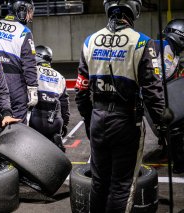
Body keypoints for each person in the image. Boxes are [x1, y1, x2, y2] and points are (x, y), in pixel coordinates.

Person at [75, 0, 165, 212]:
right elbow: (153, 92)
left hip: (97, 118)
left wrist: (89, 120)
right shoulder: (142, 42)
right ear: (134, 9)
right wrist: (163, 124)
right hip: (126, 122)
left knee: (99, 182)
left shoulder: (90, 41)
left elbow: (81, 90)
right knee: (121, 186)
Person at [0, 0, 38, 124]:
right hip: (15, 83)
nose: (30, 15)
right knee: (18, 126)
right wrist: (33, 88)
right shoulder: (24, 31)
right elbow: (29, 63)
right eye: (29, 11)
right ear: (22, 10)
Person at [155, 19, 184, 174]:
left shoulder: (172, 52)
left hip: (161, 96)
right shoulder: (160, 46)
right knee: (177, 126)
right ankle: (179, 164)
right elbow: (157, 75)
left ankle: (167, 150)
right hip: (155, 98)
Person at [29, 45, 69, 152]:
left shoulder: (32, 71)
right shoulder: (60, 77)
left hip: (36, 119)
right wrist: (65, 123)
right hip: (56, 121)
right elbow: (64, 103)